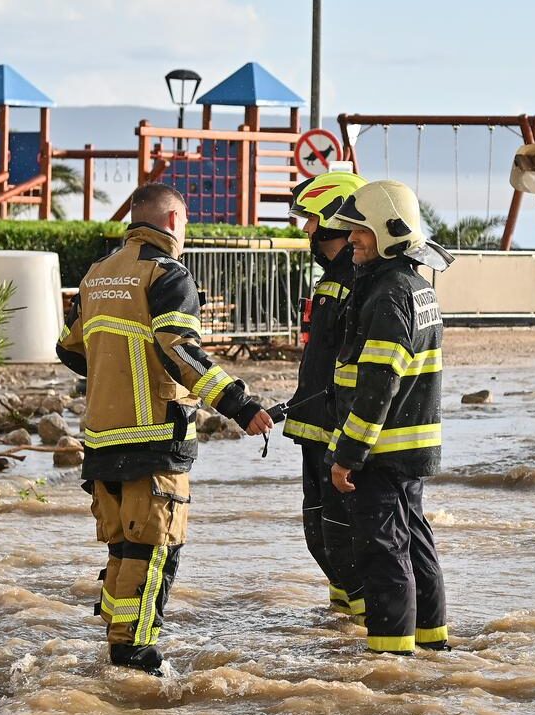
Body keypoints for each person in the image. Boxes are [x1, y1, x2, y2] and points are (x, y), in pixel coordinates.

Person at [57, 182, 273, 675]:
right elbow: (179, 350)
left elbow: (69, 349)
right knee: (154, 551)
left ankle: (116, 659)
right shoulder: (167, 274)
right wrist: (239, 405)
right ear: (174, 221)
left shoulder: (96, 275)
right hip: (153, 438)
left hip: (101, 441)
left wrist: (114, 376)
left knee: (123, 551)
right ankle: (137, 661)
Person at [326, 180, 453, 655]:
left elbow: (378, 385)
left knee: (383, 554)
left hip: (380, 450)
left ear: (388, 231)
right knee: (416, 544)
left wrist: (348, 455)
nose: (352, 239)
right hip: (409, 448)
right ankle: (431, 643)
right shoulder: (417, 288)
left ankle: (390, 659)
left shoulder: (388, 296)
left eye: (360, 231)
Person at [284, 170, 369, 621]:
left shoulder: (359, 280)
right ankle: (340, 629)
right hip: (313, 423)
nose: (307, 230)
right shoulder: (333, 278)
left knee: (340, 537)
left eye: (312, 220)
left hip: (339, 432)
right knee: (319, 536)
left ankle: (363, 632)